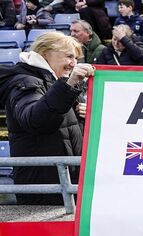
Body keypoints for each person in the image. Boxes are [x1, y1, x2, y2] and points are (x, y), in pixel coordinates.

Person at [0, 32, 94, 205]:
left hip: (67, 185)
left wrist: (87, 115)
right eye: (69, 56)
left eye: (76, 58)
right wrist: (68, 85)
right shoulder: (26, 82)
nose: (74, 63)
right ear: (45, 53)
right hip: (44, 191)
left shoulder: (60, 82)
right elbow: (36, 121)